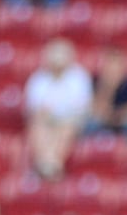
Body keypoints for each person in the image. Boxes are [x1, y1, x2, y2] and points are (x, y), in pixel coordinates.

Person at [24, 38, 92, 179]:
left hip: (71, 119)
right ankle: (47, 164)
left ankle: (52, 164)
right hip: (45, 120)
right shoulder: (39, 78)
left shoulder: (79, 77)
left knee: (66, 127)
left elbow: (81, 106)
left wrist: (59, 115)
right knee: (38, 127)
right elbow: (33, 107)